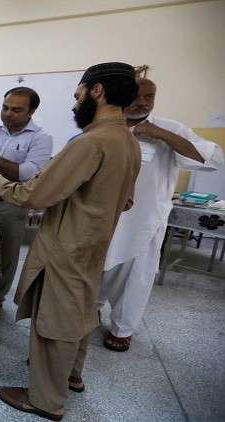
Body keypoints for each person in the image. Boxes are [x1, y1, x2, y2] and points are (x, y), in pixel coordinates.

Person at [0, 62, 141, 421]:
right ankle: (71, 374)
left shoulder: (92, 141)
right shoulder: (128, 141)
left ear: (96, 91)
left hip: (68, 244)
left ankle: (45, 399)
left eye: (77, 95)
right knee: (81, 310)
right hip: (95, 242)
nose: (74, 104)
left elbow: (34, 194)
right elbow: (126, 200)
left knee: (55, 319)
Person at [98, 78, 224, 352]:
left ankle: (122, 328)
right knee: (96, 270)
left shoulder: (170, 128)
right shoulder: (106, 125)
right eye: (138, 96)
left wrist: (162, 135)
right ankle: (90, 310)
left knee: (135, 276)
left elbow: (213, 160)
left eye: (150, 96)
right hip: (104, 216)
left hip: (144, 220)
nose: (143, 102)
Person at [0, 87, 53, 315]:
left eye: (17, 110)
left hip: (11, 203)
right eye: (5, 108)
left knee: (5, 255)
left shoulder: (41, 138)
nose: (8, 114)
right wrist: (1, 167)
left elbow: (27, 173)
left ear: (31, 112)